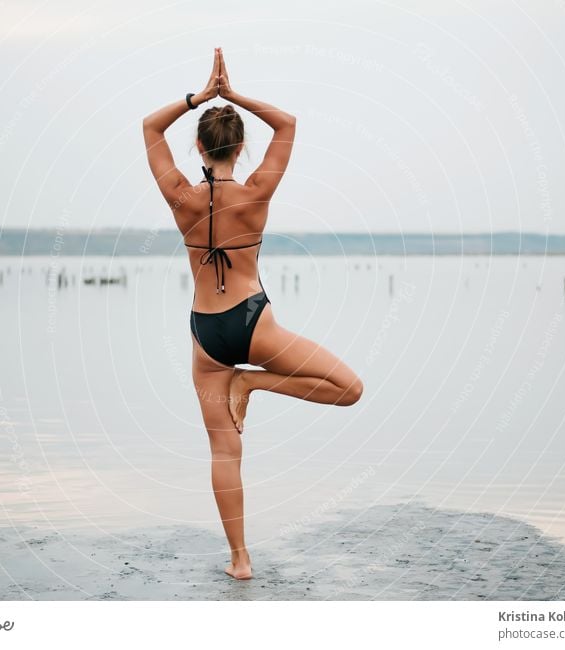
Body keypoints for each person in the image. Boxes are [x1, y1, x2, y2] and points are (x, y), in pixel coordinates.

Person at [142, 47, 364, 580]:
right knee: (349, 389)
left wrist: (201, 95)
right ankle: (256, 385)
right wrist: (232, 94)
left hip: (206, 334)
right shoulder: (258, 191)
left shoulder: (179, 195)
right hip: (253, 322)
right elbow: (287, 123)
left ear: (198, 145)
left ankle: (240, 560)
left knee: (224, 451)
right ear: (241, 149)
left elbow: (150, 128)